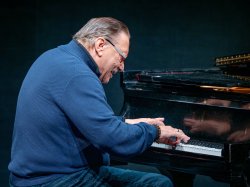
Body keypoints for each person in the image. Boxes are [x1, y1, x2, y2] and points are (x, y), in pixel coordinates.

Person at [8, 17, 190, 187]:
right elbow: (113, 140)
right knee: (158, 183)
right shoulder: (77, 74)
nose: (122, 67)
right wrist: (155, 131)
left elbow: (88, 123)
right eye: (122, 57)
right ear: (101, 45)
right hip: (52, 180)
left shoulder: (55, 57)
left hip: (33, 177)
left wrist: (130, 123)